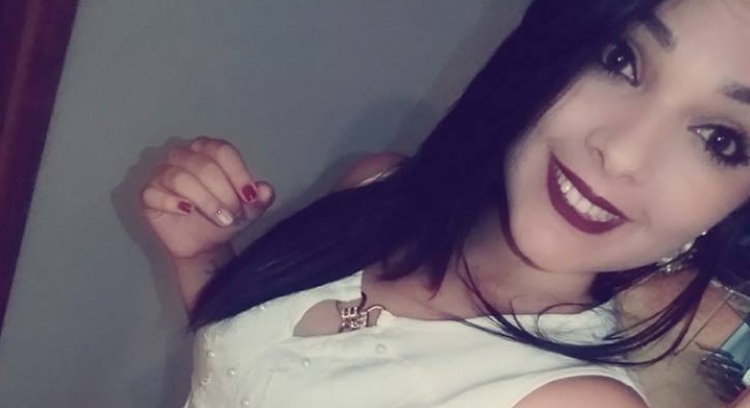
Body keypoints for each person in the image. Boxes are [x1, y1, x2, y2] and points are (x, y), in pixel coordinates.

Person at [139, 0, 750, 406]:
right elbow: (257, 373)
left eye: (720, 139)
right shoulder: (377, 187)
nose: (622, 153)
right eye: (621, 59)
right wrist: (201, 255)